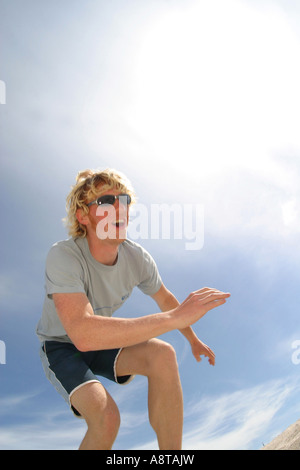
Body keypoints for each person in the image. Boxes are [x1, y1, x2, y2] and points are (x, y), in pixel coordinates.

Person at [36, 168, 230, 450]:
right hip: (61, 346)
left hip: (98, 342)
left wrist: (193, 339)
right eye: (105, 202)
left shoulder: (137, 258)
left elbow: (165, 299)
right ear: (82, 216)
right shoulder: (63, 255)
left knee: (163, 354)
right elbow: (83, 333)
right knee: (106, 418)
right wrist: (174, 318)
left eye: (123, 200)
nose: (119, 207)